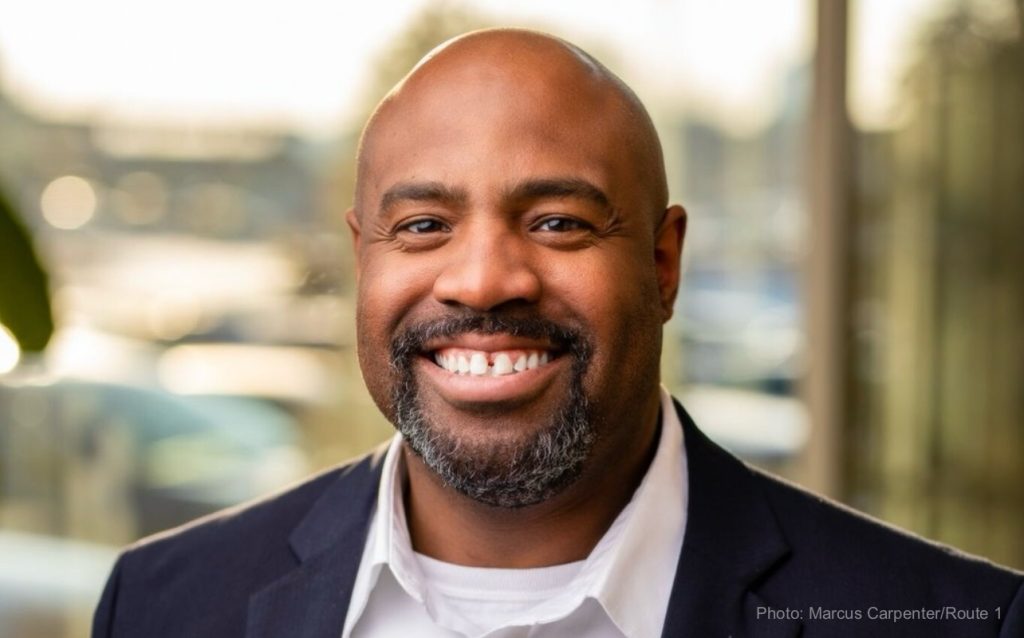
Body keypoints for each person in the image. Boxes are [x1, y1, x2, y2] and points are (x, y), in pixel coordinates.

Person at [93, 29, 1022, 637]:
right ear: (362, 256)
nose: (485, 279)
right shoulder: (164, 607)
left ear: (663, 265)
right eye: (423, 226)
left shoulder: (955, 622)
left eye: (558, 223)